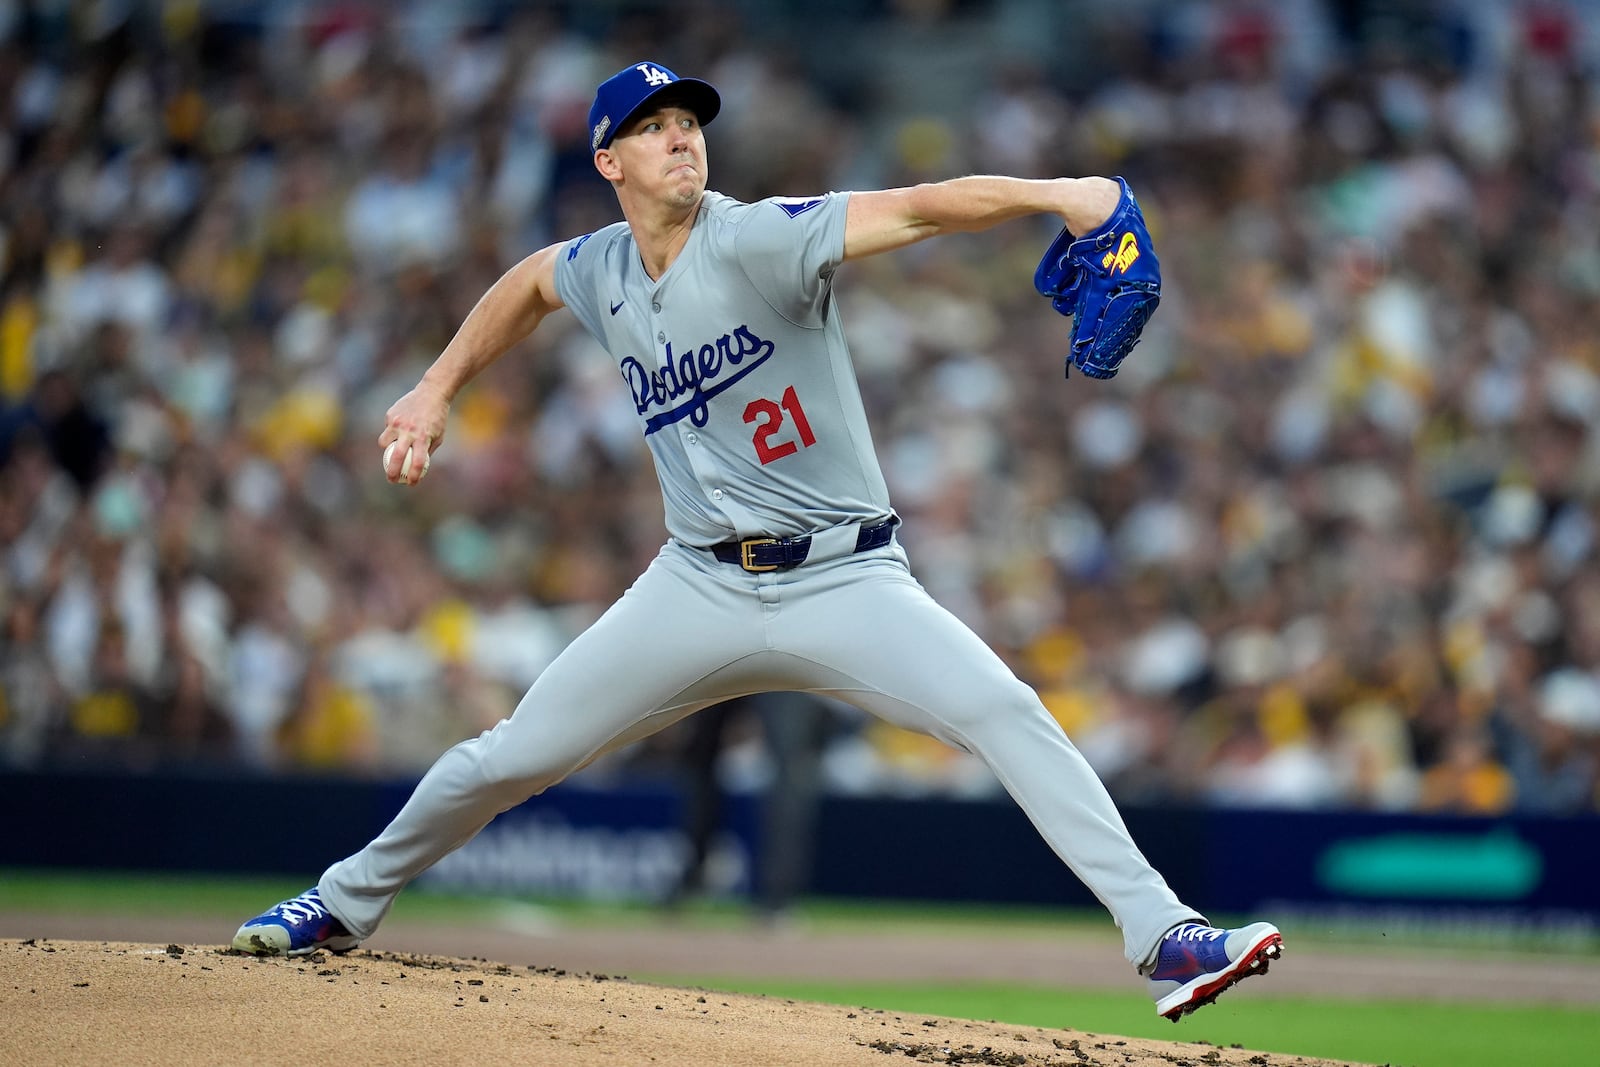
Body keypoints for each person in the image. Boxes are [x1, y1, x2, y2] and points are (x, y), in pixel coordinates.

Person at [232, 60, 1283, 1021]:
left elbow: (917, 208)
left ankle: (1164, 932)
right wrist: (434, 384)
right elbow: (529, 282)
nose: (682, 137)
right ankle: (339, 900)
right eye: (653, 127)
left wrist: (1069, 196)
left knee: (1005, 711)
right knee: (509, 755)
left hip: (845, 574)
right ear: (608, 161)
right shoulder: (602, 268)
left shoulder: (759, 235)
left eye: (689, 120)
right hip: (695, 585)